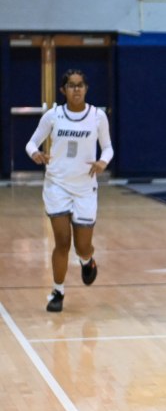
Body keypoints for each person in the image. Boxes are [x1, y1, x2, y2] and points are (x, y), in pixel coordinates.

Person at [25, 69, 112, 313]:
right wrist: (35, 153)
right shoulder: (53, 116)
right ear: (63, 90)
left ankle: (87, 260)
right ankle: (58, 291)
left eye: (80, 85)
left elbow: (107, 147)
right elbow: (31, 142)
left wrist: (103, 161)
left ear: (86, 88)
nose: (77, 89)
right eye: (72, 85)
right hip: (57, 185)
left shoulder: (97, 116)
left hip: (85, 187)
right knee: (62, 242)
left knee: (82, 247)